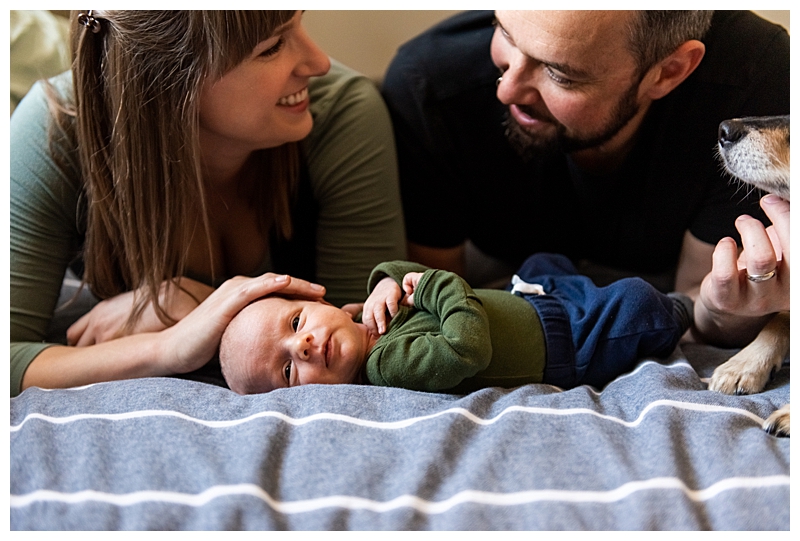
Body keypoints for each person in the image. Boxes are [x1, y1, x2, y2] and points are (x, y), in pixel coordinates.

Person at [10, 10, 406, 397]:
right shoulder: (54, 134)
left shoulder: (343, 114)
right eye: (271, 47)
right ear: (167, 79)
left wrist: (195, 300)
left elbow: (366, 338)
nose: (318, 62)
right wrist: (167, 347)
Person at [380, 10, 789, 348]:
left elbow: (698, 312)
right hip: (495, 269)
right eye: (503, 31)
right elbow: (431, 300)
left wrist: (723, 309)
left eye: (560, 74)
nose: (506, 89)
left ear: (670, 71)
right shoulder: (429, 86)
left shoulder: (755, 84)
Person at [219, 255, 693, 394]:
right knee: (637, 303)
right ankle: (681, 311)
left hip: (527, 298)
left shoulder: (364, 315)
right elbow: (468, 348)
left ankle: (585, 282)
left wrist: (385, 280)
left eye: (295, 321)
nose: (300, 346)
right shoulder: (386, 364)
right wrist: (430, 285)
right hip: (565, 342)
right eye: (287, 372)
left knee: (545, 258)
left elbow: (397, 272)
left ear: (318, 299)